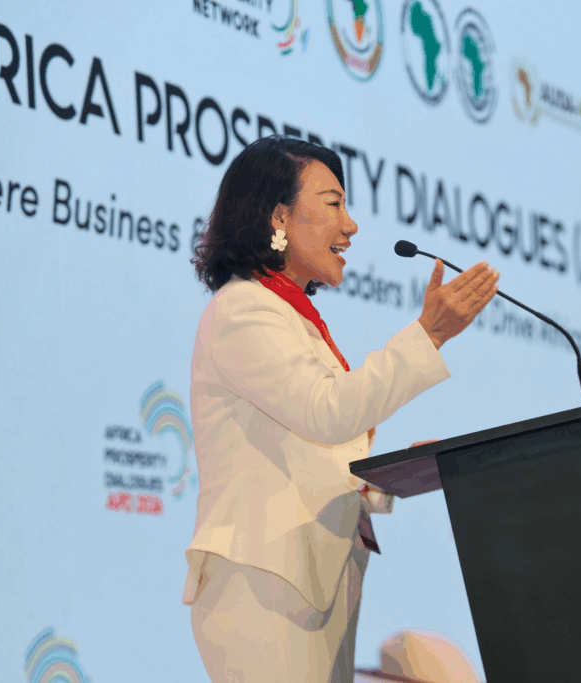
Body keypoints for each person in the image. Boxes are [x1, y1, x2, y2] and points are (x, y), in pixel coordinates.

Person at [183, 135, 500, 683]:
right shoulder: (242, 310)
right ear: (278, 216)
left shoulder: (294, 320)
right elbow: (327, 412)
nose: (350, 226)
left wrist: (387, 476)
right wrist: (428, 335)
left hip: (310, 589)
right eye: (333, 204)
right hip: (263, 587)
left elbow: (307, 450)